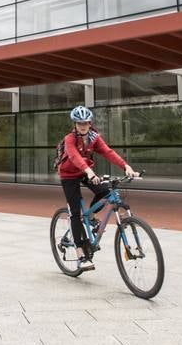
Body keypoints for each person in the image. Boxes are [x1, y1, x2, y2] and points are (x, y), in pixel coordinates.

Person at [57, 105, 138, 272]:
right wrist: (89, 172)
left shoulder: (94, 137)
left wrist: (126, 166)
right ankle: (81, 254)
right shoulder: (69, 139)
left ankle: (92, 216)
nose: (83, 126)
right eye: (79, 123)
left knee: (106, 192)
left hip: (87, 171)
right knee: (75, 213)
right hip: (69, 174)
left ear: (90, 122)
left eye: (85, 123)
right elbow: (74, 157)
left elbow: (108, 152)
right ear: (75, 124)